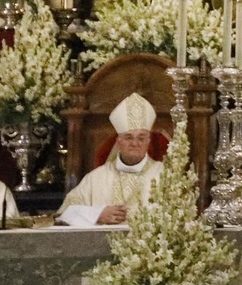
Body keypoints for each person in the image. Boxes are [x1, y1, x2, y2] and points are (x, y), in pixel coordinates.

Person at [58, 93, 165, 226]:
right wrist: (97, 215)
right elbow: (64, 213)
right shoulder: (95, 179)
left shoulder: (165, 175)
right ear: (118, 142)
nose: (135, 143)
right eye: (128, 137)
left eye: (141, 138)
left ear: (149, 141)